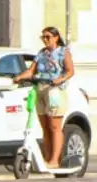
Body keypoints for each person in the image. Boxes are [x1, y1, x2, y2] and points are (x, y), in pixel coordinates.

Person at [13, 27, 76, 169]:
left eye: (48, 37)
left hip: (55, 90)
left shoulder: (63, 52)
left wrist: (60, 79)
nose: (45, 40)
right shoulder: (42, 53)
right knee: (45, 127)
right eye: (43, 37)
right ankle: (47, 158)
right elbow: (31, 71)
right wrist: (19, 77)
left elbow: (70, 71)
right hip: (40, 88)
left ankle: (54, 160)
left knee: (54, 126)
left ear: (56, 37)